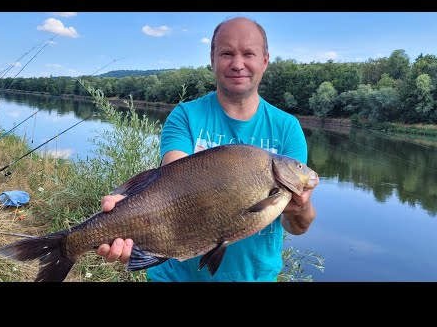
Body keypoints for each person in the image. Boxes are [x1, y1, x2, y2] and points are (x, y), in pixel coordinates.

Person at [96, 16, 318, 282]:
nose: (238, 64)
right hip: (175, 275)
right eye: (226, 53)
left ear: (265, 60)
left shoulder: (287, 128)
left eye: (249, 53)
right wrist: (125, 213)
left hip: (254, 277)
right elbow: (172, 183)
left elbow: (297, 226)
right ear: (212, 59)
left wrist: (301, 208)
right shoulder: (185, 115)